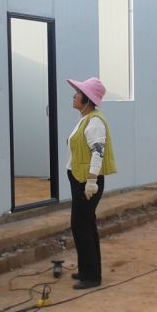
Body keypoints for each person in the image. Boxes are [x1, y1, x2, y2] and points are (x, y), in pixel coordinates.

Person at [66, 77, 117, 290]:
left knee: (81, 225)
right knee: (84, 224)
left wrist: (91, 181)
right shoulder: (86, 118)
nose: (74, 95)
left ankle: (92, 276)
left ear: (87, 99)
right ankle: (87, 269)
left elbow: (98, 152)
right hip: (80, 179)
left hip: (87, 182)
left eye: (78, 93)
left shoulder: (95, 122)